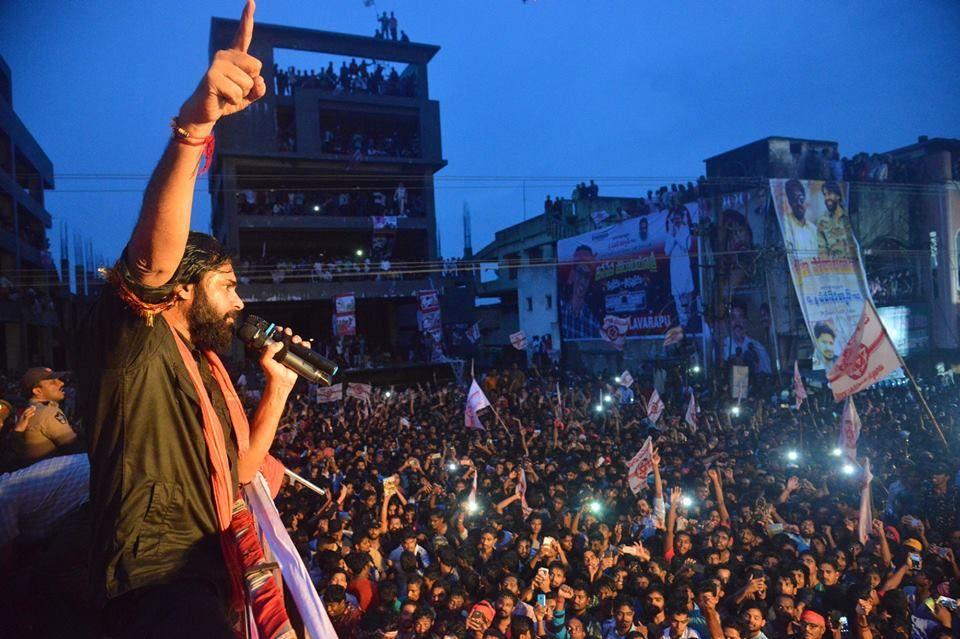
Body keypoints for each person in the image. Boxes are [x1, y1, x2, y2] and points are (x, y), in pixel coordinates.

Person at [77, 4, 309, 636]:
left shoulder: (206, 364)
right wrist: (194, 129)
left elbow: (235, 477)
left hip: (206, 570)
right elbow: (150, 263)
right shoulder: (141, 341)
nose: (238, 303)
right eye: (226, 286)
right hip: (153, 582)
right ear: (179, 289)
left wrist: (277, 389)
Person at [10, 367, 78, 467]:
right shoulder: (48, 412)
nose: (61, 383)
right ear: (37, 391)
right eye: (53, 382)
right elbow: (73, 447)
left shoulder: (28, 409)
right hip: (51, 476)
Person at [560, 245, 602, 339]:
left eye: (586, 276)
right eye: (580, 273)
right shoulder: (561, 313)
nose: (583, 282)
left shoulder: (593, 324)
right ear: (573, 274)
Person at [722, 300, 772, 374]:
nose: (737, 322)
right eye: (733, 318)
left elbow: (767, 374)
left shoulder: (758, 347)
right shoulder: (723, 347)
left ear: (746, 320)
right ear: (729, 322)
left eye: (740, 317)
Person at [781, 179, 819, 260]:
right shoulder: (785, 224)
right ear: (789, 202)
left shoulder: (813, 229)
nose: (799, 203)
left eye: (801, 198)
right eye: (794, 199)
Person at [816, 181, 854, 259]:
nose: (826, 198)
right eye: (825, 195)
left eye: (829, 194)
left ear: (838, 196)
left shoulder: (851, 217)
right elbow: (822, 251)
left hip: (854, 266)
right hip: (836, 268)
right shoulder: (822, 222)